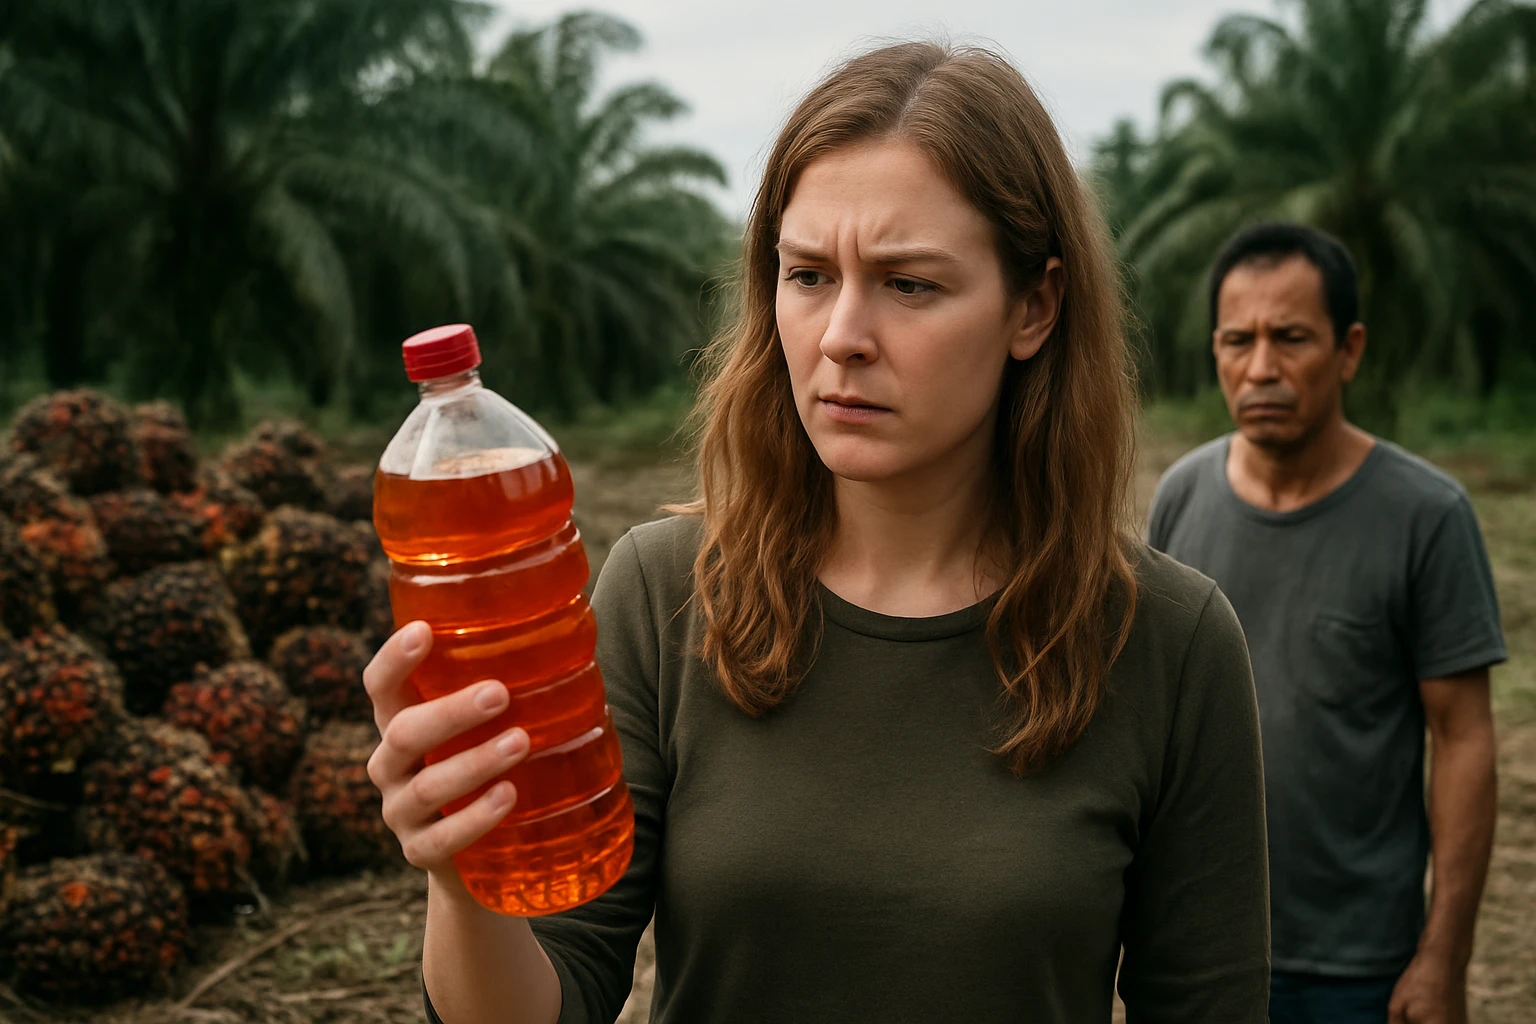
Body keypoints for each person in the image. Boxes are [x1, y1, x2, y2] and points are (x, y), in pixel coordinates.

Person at [366, 41, 1270, 1024]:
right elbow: (549, 1003)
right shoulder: (664, 594)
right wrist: (462, 875)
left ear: (1036, 305)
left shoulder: (1170, 641)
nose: (842, 333)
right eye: (806, 274)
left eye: (909, 283)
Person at [1148, 223, 1505, 1024]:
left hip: (1359, 969)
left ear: (1349, 350)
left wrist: (1444, 958)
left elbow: (1464, 739)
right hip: (1202, 950)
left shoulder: (1427, 517)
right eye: (1238, 340)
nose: (1261, 367)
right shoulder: (1181, 497)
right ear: (1215, 351)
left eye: (1292, 338)